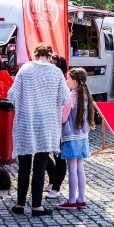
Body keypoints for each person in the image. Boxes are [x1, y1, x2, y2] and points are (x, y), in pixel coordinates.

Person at [8, 42, 69, 217]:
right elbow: (65, 98)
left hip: (26, 123)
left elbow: (12, 95)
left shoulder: (25, 69)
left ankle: (20, 204)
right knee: (40, 166)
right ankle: (36, 206)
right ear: (50, 56)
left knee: (24, 166)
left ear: (35, 55)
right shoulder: (56, 72)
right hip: (47, 124)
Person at [56, 68, 96, 210]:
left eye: (68, 79)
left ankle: (72, 200)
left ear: (74, 81)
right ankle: (81, 198)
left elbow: (63, 117)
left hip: (71, 135)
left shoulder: (71, 96)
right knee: (80, 168)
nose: (66, 81)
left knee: (71, 168)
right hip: (82, 135)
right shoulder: (86, 94)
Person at [44, 52, 70, 198]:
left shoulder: (64, 81)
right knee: (42, 153)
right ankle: (53, 181)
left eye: (53, 64)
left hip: (59, 123)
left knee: (59, 155)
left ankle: (57, 187)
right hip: (48, 121)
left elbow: (65, 103)